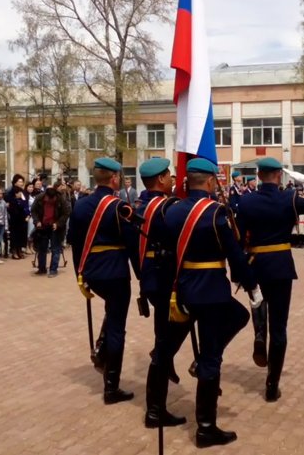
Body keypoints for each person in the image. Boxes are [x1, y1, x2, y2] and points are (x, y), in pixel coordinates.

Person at [164, 158, 260, 448]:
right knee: (212, 356)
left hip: (182, 289)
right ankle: (206, 427)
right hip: (212, 291)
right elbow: (234, 255)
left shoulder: (172, 210)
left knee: (235, 318)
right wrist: (252, 284)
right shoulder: (217, 213)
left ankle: (179, 394)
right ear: (208, 182)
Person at [237, 157, 304, 402]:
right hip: (281, 265)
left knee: (259, 307)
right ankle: (272, 384)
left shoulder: (246, 201)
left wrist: (239, 270)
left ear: (259, 176)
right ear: (280, 176)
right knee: (279, 326)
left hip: (255, 264)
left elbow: (238, 237)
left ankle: (259, 334)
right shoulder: (289, 199)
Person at [69, 158, 141, 405]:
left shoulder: (81, 205)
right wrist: (142, 275)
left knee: (112, 315)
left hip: (91, 271)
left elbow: (75, 243)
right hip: (116, 272)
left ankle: (101, 350)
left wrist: (80, 275)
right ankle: (112, 386)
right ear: (114, 179)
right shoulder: (119, 207)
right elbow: (132, 245)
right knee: (117, 327)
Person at [133, 157, 190, 428]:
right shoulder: (168, 208)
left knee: (164, 337)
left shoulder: (138, 206)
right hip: (166, 278)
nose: (172, 180)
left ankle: (163, 373)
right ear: (160, 179)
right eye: (169, 176)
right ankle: (155, 410)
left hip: (150, 277)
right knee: (167, 342)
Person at [31, 182, 71, 277]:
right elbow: (33, 211)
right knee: (42, 249)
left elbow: (66, 213)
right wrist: (37, 221)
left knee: (56, 249)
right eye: (49, 198)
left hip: (55, 227)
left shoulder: (60, 199)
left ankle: (53, 269)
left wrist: (58, 223)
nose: (50, 200)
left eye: (52, 199)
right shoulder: (40, 198)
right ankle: (42, 268)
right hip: (43, 227)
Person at [7, 174, 29, 260]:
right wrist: (16, 199)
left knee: (21, 234)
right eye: (19, 181)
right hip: (14, 216)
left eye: (22, 181)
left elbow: (25, 204)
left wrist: (28, 214)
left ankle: (20, 250)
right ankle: (14, 251)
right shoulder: (11, 191)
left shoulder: (23, 192)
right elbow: (9, 201)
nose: (21, 183)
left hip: (22, 217)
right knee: (14, 234)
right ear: (15, 182)